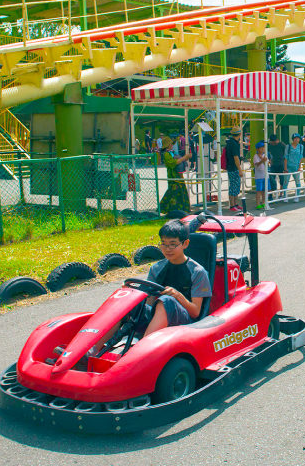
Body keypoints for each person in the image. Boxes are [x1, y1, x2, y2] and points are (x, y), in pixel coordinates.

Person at [91, 220, 210, 354]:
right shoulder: (157, 268)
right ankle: (93, 350)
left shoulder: (198, 272)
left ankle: (138, 353)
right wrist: (131, 293)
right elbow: (148, 303)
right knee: (127, 300)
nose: (167, 249)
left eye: (172, 245)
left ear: (185, 244)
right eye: (163, 245)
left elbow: (195, 312)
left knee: (166, 301)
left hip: (186, 321)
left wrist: (177, 295)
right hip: (159, 313)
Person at [158, 136, 192, 215]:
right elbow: (173, 163)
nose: (172, 145)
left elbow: (179, 160)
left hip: (179, 175)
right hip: (173, 176)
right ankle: (170, 210)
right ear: (167, 145)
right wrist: (184, 157)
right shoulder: (166, 154)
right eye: (170, 144)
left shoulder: (173, 152)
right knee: (174, 192)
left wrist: (186, 158)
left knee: (181, 191)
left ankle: (181, 209)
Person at [225, 128, 243, 212]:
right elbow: (235, 157)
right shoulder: (234, 144)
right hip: (233, 167)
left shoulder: (230, 142)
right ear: (239, 134)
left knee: (235, 186)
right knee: (234, 186)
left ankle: (235, 204)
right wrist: (240, 169)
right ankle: (232, 205)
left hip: (231, 166)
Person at [286, 134, 305, 202]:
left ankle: (297, 197)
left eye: (298, 138)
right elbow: (286, 157)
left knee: (297, 182)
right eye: (295, 138)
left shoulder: (300, 146)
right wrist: (285, 168)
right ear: (293, 139)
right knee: (286, 182)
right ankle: (285, 197)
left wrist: (299, 167)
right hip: (289, 166)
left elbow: (300, 157)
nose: (296, 140)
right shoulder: (288, 146)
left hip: (296, 166)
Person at [268, 134, 287, 200]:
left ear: (277, 140)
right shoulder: (268, 145)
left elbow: (286, 154)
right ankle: (270, 195)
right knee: (271, 180)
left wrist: (285, 165)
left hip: (281, 164)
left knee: (282, 180)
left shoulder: (282, 145)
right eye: (272, 143)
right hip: (273, 165)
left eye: (275, 143)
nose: (273, 144)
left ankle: (281, 194)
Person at [252, 142, 269, 209]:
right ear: (257, 149)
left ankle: (263, 203)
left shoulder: (265, 155)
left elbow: (267, 164)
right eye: (261, 148)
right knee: (259, 190)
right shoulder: (255, 156)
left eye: (263, 148)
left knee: (264, 190)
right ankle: (258, 204)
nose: (262, 149)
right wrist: (262, 160)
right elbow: (257, 164)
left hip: (265, 175)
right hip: (259, 176)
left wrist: (266, 161)